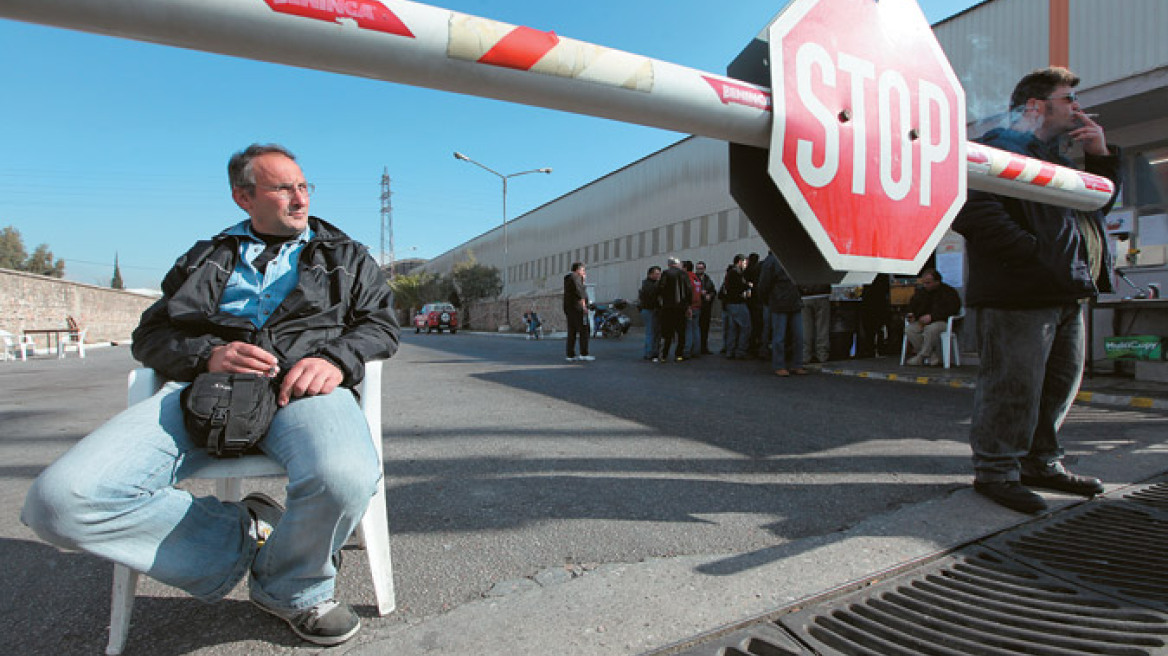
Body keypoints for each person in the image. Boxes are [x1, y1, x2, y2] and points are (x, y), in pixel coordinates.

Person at [21, 143, 399, 646]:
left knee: (346, 476)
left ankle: (293, 588)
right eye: (283, 188)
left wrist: (334, 360)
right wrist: (208, 355)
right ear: (243, 197)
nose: (300, 198)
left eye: (304, 186)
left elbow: (380, 325)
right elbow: (149, 337)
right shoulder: (204, 257)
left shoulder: (347, 256)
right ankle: (246, 537)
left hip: (303, 392)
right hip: (207, 391)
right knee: (59, 502)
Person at [952, 66, 1120, 514]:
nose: (1078, 109)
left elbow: (1098, 207)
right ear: (1035, 105)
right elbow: (968, 206)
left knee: (1058, 387)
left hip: (1067, 288)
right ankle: (996, 471)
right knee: (1012, 387)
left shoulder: (1058, 158)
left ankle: (1040, 463)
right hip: (1021, 288)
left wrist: (1100, 158)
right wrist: (1030, 252)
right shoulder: (995, 148)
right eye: (1069, 100)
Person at [757, 250, 806, 377]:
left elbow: (763, 285)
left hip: (784, 301)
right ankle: (790, 364)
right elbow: (763, 285)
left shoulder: (772, 260)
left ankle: (789, 365)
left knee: (786, 337)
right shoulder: (778, 260)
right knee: (790, 336)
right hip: (785, 301)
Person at [902, 269, 962, 366]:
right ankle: (932, 357)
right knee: (910, 329)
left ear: (937, 282)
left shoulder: (948, 292)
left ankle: (922, 356)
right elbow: (912, 306)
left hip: (942, 321)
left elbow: (953, 309)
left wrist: (933, 317)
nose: (926, 285)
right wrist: (911, 314)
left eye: (928, 283)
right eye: (924, 283)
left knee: (931, 329)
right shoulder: (921, 292)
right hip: (923, 321)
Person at [656, 257, 692, 362]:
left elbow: (661, 288)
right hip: (681, 308)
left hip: (668, 307)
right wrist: (688, 306)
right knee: (681, 332)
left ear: (669, 265)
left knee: (667, 333)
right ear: (677, 264)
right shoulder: (684, 274)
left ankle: (664, 356)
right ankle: (679, 355)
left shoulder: (666, 273)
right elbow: (689, 290)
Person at [721, 254, 752, 359]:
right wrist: (748, 285)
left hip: (731, 304)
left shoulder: (730, 273)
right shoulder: (736, 273)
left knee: (733, 329)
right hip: (738, 303)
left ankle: (731, 350)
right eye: (744, 262)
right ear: (740, 261)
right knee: (745, 327)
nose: (746, 265)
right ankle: (741, 351)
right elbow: (740, 286)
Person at [563, 261, 593, 361]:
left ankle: (570, 354)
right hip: (578, 308)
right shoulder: (576, 278)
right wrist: (584, 306)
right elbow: (580, 292)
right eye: (583, 270)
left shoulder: (568, 278)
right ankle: (584, 353)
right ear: (578, 270)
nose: (584, 272)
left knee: (572, 331)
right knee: (584, 330)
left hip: (569, 308)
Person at [800, 283, 832, 364]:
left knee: (806, 328)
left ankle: (805, 355)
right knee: (822, 327)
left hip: (805, 295)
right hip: (822, 294)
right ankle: (822, 355)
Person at [637, 265, 663, 361]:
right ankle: (649, 352)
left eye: (659, 274)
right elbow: (651, 296)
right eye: (656, 274)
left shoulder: (650, 283)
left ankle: (653, 352)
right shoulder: (648, 284)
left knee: (654, 332)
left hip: (651, 309)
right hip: (649, 309)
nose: (658, 275)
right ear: (650, 274)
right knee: (651, 332)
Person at [695, 261, 716, 354]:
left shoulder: (707, 279)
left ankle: (704, 347)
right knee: (696, 328)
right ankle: (697, 347)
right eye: (698, 268)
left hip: (706, 306)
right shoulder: (694, 278)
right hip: (697, 305)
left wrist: (710, 295)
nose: (700, 270)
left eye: (701, 268)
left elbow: (713, 290)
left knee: (705, 327)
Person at [683, 260, 703, 359]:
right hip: (697, 305)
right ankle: (696, 350)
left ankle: (687, 350)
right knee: (696, 329)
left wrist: (688, 306)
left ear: (685, 268)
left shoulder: (687, 278)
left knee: (688, 329)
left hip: (690, 306)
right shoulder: (696, 278)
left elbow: (687, 292)